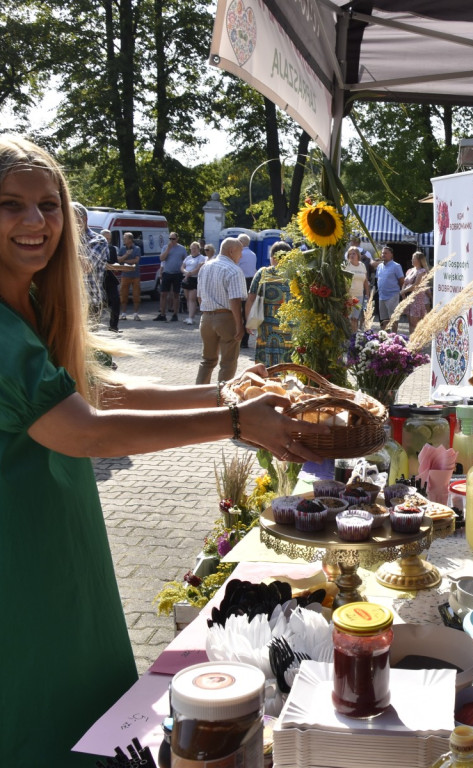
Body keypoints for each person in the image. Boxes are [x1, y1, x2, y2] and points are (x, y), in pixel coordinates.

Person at [0, 135, 327, 767]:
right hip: (20, 567)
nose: (35, 222)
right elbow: (89, 431)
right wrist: (234, 422)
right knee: (39, 721)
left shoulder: (33, 305)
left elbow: (110, 392)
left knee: (87, 707)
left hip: (62, 553)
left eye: (48, 205)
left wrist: (225, 392)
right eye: (11, 204)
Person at [196, 237, 248, 384]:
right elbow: (235, 301)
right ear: (232, 251)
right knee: (228, 363)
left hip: (206, 318)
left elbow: (199, 296)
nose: (241, 255)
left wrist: (207, 312)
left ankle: (197, 394)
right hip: (226, 318)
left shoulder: (205, 266)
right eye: (240, 252)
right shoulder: (234, 270)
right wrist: (239, 325)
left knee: (207, 360)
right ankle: (222, 398)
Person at [245, 240, 293, 367]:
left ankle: (266, 384)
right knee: (287, 360)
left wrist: (248, 321)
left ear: (272, 257)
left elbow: (251, 298)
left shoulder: (263, 273)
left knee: (265, 361)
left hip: (266, 325)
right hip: (289, 326)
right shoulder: (294, 275)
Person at [155, 231, 186, 321]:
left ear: (177, 239)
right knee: (163, 294)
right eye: (170, 239)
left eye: (173, 239)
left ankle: (175, 314)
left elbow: (185, 260)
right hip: (167, 273)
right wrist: (168, 249)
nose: (172, 240)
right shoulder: (165, 247)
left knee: (176, 294)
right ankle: (162, 314)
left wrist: (183, 270)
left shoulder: (182, 248)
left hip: (177, 274)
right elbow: (161, 258)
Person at [401, 250, 430, 332]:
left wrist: (404, 291)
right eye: (412, 258)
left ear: (419, 260)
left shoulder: (422, 271)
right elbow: (405, 282)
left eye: (414, 258)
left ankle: (417, 343)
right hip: (407, 299)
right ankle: (411, 342)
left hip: (416, 300)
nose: (412, 260)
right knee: (410, 323)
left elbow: (416, 285)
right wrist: (403, 292)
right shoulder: (410, 270)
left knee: (415, 324)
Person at [376, 245, 404, 326]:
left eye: (386, 253)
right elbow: (378, 279)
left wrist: (400, 293)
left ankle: (394, 335)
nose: (383, 255)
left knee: (393, 318)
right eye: (382, 253)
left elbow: (401, 281)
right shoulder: (379, 266)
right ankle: (384, 336)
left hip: (392, 295)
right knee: (383, 319)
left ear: (391, 255)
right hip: (381, 296)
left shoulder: (396, 266)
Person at [100, 229, 122, 332]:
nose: (107, 241)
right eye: (106, 238)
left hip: (110, 278)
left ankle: (113, 326)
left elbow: (115, 262)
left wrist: (116, 266)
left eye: (109, 239)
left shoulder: (112, 249)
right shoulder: (96, 247)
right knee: (97, 303)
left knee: (116, 301)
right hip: (98, 279)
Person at [238, 234, 258, 348]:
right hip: (250, 281)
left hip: (241, 281)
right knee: (247, 311)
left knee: (239, 310)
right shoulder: (253, 254)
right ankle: (245, 340)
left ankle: (239, 338)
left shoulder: (240, 254)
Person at [117, 232, 142, 321]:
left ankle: (136, 314)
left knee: (136, 295)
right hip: (125, 275)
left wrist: (124, 260)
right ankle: (123, 314)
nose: (124, 240)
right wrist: (127, 255)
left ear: (130, 239)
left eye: (125, 238)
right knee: (123, 295)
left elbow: (136, 260)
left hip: (135, 276)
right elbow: (118, 259)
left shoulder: (137, 248)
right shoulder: (122, 248)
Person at [345, 244, 370, 332]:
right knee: (349, 318)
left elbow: (366, 281)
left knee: (356, 318)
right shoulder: (346, 265)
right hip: (349, 295)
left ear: (358, 255)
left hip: (360, 295)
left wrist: (367, 294)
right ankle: (349, 338)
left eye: (354, 254)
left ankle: (354, 337)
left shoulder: (362, 265)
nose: (352, 255)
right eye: (350, 254)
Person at [181, 241, 206, 325]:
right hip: (186, 278)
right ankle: (189, 316)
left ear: (199, 249)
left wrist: (189, 273)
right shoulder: (188, 257)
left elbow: (198, 268)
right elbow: (182, 267)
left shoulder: (201, 258)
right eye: (191, 248)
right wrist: (185, 272)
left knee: (192, 299)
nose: (193, 250)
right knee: (187, 298)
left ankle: (191, 317)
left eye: (195, 248)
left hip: (195, 279)